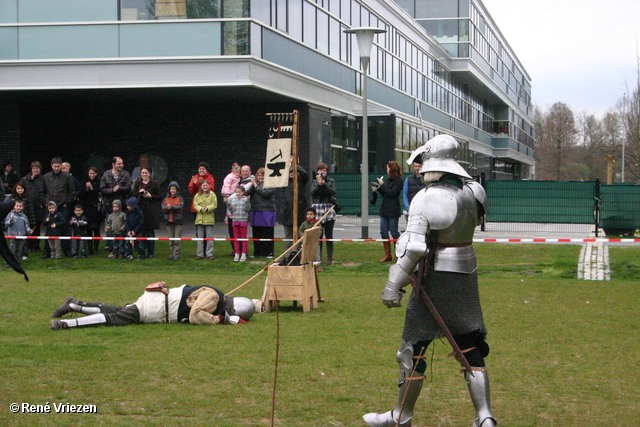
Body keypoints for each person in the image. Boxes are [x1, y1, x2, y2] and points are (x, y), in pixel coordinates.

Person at [362, 135, 494, 427]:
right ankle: (484, 417)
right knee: (469, 345)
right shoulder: (475, 191)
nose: (419, 170)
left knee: (411, 349)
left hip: (434, 279)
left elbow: (415, 248)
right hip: (465, 273)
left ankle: (401, 416)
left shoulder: (428, 196)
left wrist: (393, 285)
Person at [50, 284, 255, 329]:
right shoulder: (214, 297)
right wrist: (222, 320)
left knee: (115, 310)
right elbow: (196, 314)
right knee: (116, 318)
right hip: (157, 307)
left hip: (157, 303)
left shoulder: (215, 296)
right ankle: (66, 324)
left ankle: (75, 304)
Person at [43, 157, 76, 258]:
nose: (56, 168)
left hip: (63, 206)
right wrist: (45, 202)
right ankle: (47, 252)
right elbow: (42, 191)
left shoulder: (67, 177)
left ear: (61, 166)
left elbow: (72, 191)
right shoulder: (46, 177)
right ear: (51, 166)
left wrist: (67, 202)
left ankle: (66, 251)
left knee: (65, 228)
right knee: (48, 229)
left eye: (58, 166)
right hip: (50, 206)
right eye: (55, 166)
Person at [371, 160, 404, 263]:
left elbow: (392, 193)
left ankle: (398, 254)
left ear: (392, 169)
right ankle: (387, 254)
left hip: (393, 210)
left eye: (387, 168)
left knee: (394, 232)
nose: (386, 170)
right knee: (383, 231)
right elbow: (385, 193)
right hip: (385, 209)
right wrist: (378, 188)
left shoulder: (399, 181)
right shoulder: (389, 180)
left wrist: (383, 185)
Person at [100, 156, 131, 253]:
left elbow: (129, 188)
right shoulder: (106, 174)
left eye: (122, 163)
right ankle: (111, 248)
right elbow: (102, 189)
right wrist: (112, 190)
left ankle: (123, 249)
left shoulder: (125, 174)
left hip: (122, 204)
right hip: (109, 206)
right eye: (119, 164)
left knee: (123, 227)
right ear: (113, 164)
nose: (121, 165)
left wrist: (120, 188)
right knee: (110, 227)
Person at [130, 167, 162, 258]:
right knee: (141, 232)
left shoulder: (154, 183)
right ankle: (141, 252)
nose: (144, 174)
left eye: (146, 173)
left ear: (150, 173)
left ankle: (151, 253)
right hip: (140, 210)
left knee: (150, 233)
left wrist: (150, 196)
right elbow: (133, 195)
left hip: (150, 211)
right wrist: (139, 193)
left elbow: (159, 196)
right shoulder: (137, 183)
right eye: (143, 173)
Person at [310, 163, 337, 268]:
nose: (322, 172)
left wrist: (324, 184)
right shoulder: (314, 182)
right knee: (318, 234)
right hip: (317, 207)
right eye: (320, 170)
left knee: (329, 234)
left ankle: (330, 258)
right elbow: (312, 193)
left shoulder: (331, 181)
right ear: (317, 172)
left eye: (324, 170)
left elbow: (332, 192)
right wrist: (318, 184)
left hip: (328, 208)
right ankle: (318, 257)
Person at [247, 168, 276, 258]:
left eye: (262, 175)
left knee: (266, 232)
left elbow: (265, 194)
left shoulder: (271, 184)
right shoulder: (255, 184)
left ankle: (268, 252)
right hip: (255, 210)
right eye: (259, 175)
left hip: (267, 211)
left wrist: (255, 186)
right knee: (256, 232)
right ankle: (257, 252)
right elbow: (248, 193)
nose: (260, 177)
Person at [281, 162, 308, 249]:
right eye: (290, 172)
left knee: (299, 237)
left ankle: (299, 256)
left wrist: (294, 164)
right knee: (289, 237)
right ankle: (288, 256)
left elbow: (304, 174)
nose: (292, 174)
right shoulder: (285, 183)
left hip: (299, 213)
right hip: (287, 214)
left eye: (294, 172)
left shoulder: (301, 183)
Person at [19, 161, 46, 253]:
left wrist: (43, 203)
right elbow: (20, 190)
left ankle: (37, 246)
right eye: (34, 168)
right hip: (27, 207)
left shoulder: (43, 179)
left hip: (39, 207)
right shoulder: (25, 179)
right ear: (31, 169)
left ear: (40, 169)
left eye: (37, 168)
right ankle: (29, 246)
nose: (35, 170)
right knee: (27, 226)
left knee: (37, 227)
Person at [78, 167, 102, 255]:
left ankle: (95, 248)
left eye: (93, 173)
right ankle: (90, 248)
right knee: (87, 230)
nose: (92, 175)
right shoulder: (84, 182)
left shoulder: (99, 182)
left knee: (96, 229)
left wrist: (92, 189)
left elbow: (98, 194)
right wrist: (86, 189)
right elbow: (80, 194)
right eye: (90, 173)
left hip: (96, 210)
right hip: (86, 209)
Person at [10, 183, 36, 259]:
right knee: (14, 241)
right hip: (14, 221)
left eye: (21, 188)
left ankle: (24, 253)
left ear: (24, 189)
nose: (20, 190)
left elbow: (31, 210)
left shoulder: (28, 198)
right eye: (18, 188)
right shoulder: (12, 198)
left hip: (24, 220)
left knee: (24, 239)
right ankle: (12, 255)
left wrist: (32, 222)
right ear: (15, 189)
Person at [3, 200, 32, 267]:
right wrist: (11, 219)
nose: (18, 207)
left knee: (19, 251)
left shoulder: (24, 216)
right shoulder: (10, 214)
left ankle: (16, 263)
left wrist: (29, 230)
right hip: (13, 236)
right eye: (17, 206)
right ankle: (7, 263)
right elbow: (6, 224)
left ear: (23, 207)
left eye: (20, 206)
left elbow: (26, 225)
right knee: (12, 250)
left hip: (21, 236)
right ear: (14, 207)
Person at [193, 180, 217, 260]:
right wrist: (200, 209)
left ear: (209, 186)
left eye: (206, 185)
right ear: (201, 186)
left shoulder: (212, 195)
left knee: (209, 237)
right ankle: (199, 254)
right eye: (203, 185)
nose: (205, 187)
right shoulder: (197, 195)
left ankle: (209, 254)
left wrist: (207, 208)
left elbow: (214, 205)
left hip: (209, 219)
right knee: (200, 238)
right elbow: (195, 205)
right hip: (200, 219)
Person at [227, 185, 251, 262]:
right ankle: (237, 253)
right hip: (235, 220)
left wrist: (248, 202)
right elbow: (231, 210)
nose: (238, 193)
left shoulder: (245, 199)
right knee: (236, 237)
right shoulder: (233, 200)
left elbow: (248, 209)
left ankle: (244, 253)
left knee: (243, 237)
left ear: (243, 192)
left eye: (240, 192)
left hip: (243, 220)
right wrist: (228, 203)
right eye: (237, 192)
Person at [221, 163, 241, 254]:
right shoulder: (229, 177)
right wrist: (226, 194)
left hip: (236, 198)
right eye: (235, 171)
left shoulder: (239, 178)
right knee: (231, 225)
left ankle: (239, 248)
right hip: (230, 196)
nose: (237, 173)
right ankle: (235, 248)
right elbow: (226, 185)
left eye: (238, 172)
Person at [162, 181, 184, 261]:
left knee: (177, 240)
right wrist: (168, 208)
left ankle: (176, 255)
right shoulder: (166, 198)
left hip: (178, 221)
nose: (173, 190)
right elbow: (163, 207)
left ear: (177, 190)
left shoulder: (180, 198)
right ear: (169, 190)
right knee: (171, 240)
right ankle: (171, 254)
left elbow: (180, 207)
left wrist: (171, 207)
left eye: (174, 189)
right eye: (171, 189)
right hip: (169, 221)